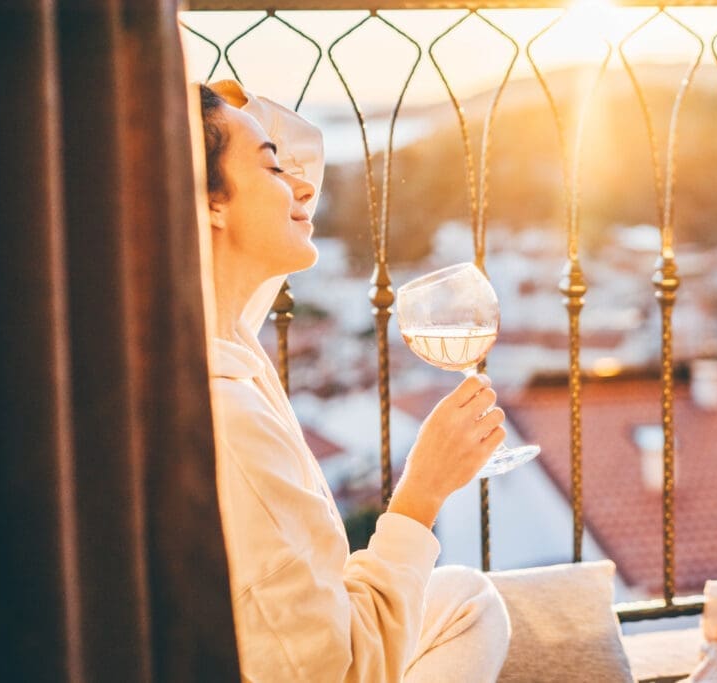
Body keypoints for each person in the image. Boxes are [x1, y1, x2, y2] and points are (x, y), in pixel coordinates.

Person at [198, 80, 512, 682]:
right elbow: (344, 675)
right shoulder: (229, 420)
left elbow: (296, 158)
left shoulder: (215, 333)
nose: (305, 187)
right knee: (469, 604)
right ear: (207, 201)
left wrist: (218, 108)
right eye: (272, 169)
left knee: (464, 597)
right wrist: (422, 493)